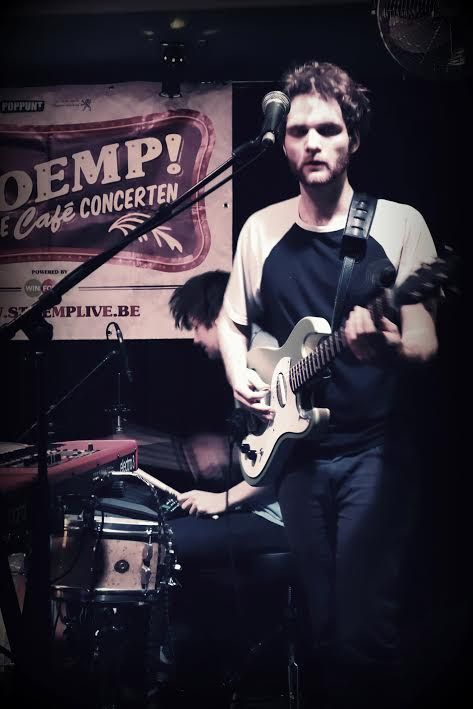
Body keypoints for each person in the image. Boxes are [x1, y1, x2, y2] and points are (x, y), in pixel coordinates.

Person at [217, 61, 439, 709]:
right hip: (297, 459)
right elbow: (232, 323)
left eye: (328, 129)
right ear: (282, 144)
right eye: (298, 131)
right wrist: (240, 375)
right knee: (323, 629)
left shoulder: (399, 224)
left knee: (366, 631)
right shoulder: (261, 229)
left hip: (374, 452)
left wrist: (386, 346)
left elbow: (425, 341)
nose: (312, 142)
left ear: (354, 139)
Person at [157, 270, 289, 703]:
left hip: (285, 518)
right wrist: (230, 458)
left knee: (166, 541)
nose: (195, 338)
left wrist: (222, 500)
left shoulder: (266, 364)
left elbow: (285, 470)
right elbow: (272, 449)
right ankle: (206, 659)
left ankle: (180, 666)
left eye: (196, 325)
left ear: (219, 315)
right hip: (267, 509)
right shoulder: (250, 364)